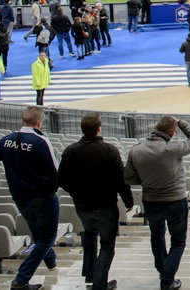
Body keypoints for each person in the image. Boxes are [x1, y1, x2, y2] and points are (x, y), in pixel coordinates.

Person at [0, 106, 59, 290]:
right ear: (39, 122)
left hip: (20, 197)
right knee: (47, 237)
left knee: (38, 234)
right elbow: (54, 173)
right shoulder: (41, 142)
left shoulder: (6, 140)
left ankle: (51, 261)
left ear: (23, 120)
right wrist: (52, 191)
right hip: (42, 197)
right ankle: (21, 279)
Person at [124, 116, 190, 290]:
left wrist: (147, 181)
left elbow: (129, 177)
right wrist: (181, 122)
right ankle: (167, 280)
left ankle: (163, 269)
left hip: (151, 201)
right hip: (175, 200)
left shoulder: (136, 149)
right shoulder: (171, 148)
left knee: (157, 235)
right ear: (171, 132)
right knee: (178, 241)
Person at [58, 113, 134, 290]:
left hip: (83, 206)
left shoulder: (70, 150)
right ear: (99, 128)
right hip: (106, 206)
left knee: (89, 236)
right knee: (107, 246)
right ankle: (99, 285)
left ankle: (91, 276)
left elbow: (61, 179)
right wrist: (128, 201)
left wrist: (76, 193)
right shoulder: (109, 150)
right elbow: (120, 180)